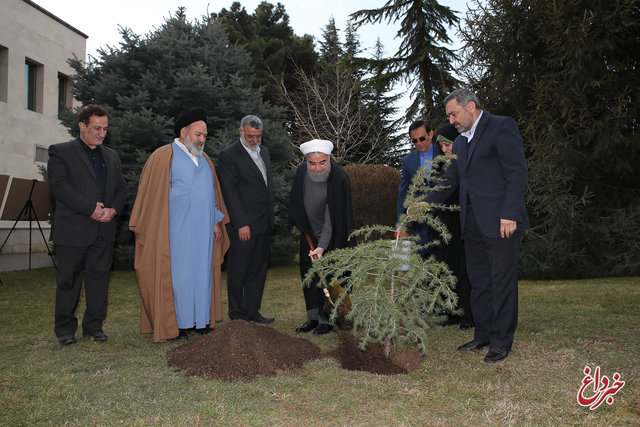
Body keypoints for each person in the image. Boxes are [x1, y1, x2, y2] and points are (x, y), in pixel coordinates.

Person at [426, 89, 530, 363]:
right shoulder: (460, 142)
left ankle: (501, 341)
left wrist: (510, 214)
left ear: (470, 106)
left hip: (501, 222)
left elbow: (516, 172)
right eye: (449, 115)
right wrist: (426, 203)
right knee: (479, 281)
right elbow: (451, 180)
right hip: (471, 224)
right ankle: (483, 334)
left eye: (454, 113)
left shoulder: (501, 126)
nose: (451, 119)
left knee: (501, 281)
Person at [129, 107, 230, 342]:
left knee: (202, 276)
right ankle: (179, 325)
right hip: (176, 232)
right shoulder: (164, 157)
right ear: (184, 131)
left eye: (205, 135)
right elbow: (152, 199)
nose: (202, 140)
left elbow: (211, 195)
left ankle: (201, 321)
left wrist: (216, 221)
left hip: (203, 232)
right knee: (180, 277)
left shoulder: (205, 160)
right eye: (198, 134)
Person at [47, 104, 126, 345]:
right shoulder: (60, 152)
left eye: (105, 129)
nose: (102, 133)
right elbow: (60, 187)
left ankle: (94, 327)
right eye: (97, 128)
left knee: (99, 280)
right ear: (82, 126)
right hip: (73, 230)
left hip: (104, 230)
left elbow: (121, 188)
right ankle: (64, 330)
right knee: (68, 282)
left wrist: (113, 209)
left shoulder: (111, 156)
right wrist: (90, 208)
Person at [288, 139, 355, 335]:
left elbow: (331, 219)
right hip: (308, 234)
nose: (317, 168)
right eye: (312, 163)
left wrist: (322, 246)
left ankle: (326, 320)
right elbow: (296, 202)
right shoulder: (302, 173)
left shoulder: (339, 178)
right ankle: (312, 317)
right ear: (306, 161)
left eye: (322, 162)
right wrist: (303, 228)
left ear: (329, 158)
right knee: (309, 277)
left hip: (333, 238)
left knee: (329, 278)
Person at [217, 115, 275, 324]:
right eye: (250, 135)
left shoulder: (265, 152)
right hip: (243, 225)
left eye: (258, 136)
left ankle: (253, 312)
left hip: (263, 222)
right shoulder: (229, 155)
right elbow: (230, 193)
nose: (254, 140)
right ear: (240, 132)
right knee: (239, 270)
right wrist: (241, 223)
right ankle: (237, 315)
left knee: (258, 269)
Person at [435, 123, 473, 331]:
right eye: (441, 146)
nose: (445, 150)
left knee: (465, 271)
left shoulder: (465, 165)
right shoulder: (440, 167)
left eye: (448, 145)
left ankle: (468, 315)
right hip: (446, 226)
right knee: (449, 270)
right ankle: (453, 311)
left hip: (464, 224)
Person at [397, 120, 442, 258]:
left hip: (444, 216)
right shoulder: (408, 161)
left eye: (422, 138)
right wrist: (401, 222)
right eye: (414, 141)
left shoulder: (444, 152)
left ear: (431, 134)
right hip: (420, 221)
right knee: (422, 257)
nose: (419, 143)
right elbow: (403, 191)